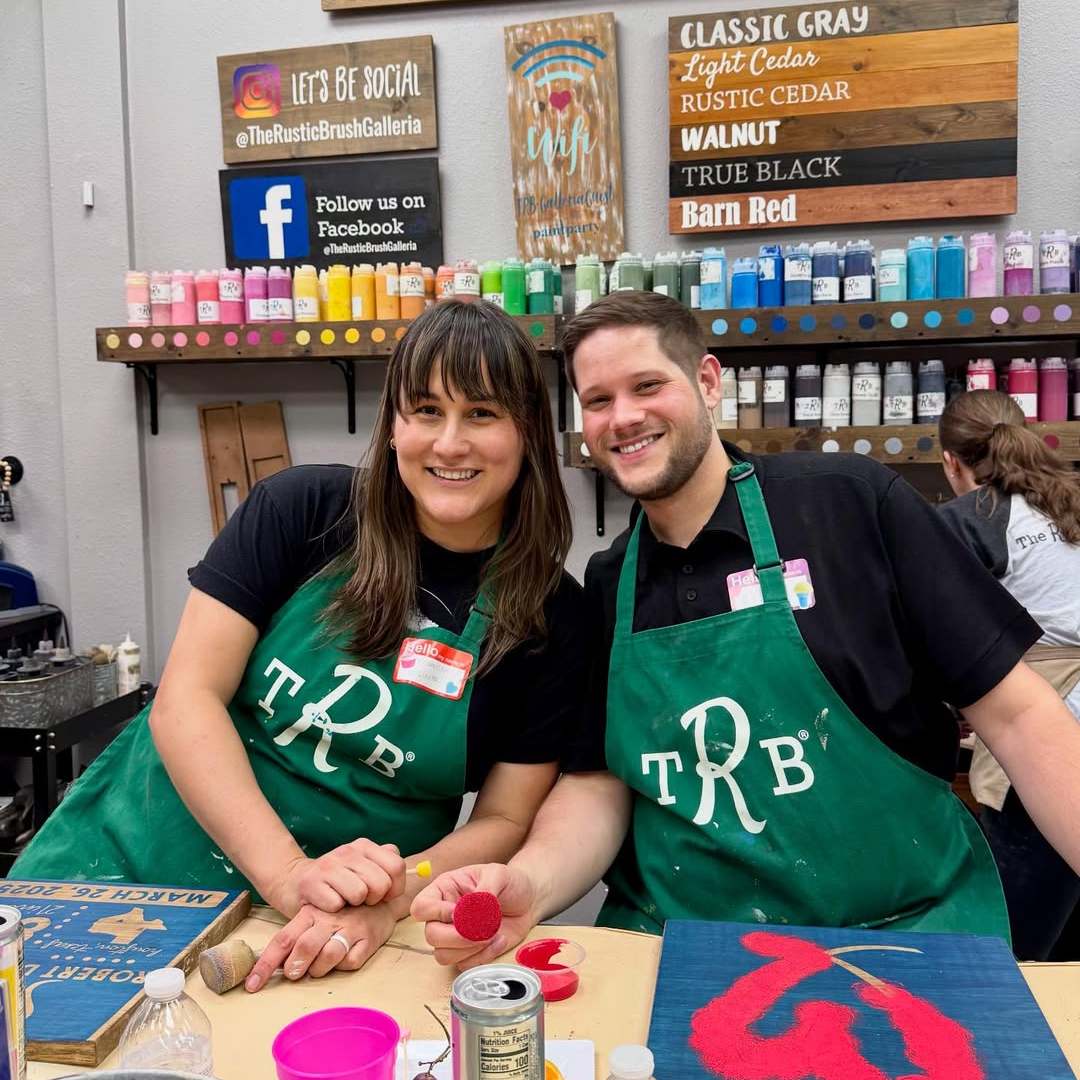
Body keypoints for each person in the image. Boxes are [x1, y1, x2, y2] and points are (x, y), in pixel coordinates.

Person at [411, 292, 1080, 968]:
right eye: (599, 400)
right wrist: (532, 883)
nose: (624, 418)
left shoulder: (849, 504)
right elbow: (598, 785)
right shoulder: (611, 583)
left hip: (900, 939)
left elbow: (1022, 717)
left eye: (647, 386)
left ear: (707, 382)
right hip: (679, 951)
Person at [11, 300, 588, 987]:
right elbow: (186, 699)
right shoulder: (302, 512)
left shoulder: (553, 618)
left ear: (526, 433)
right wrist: (289, 874)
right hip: (127, 864)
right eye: (426, 410)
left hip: (329, 933)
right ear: (394, 423)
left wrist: (395, 895)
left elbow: (502, 818)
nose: (450, 443)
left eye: (483, 415)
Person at [939, 388, 1080, 959]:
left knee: (1014, 947)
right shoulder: (1067, 499)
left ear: (950, 460)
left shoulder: (970, 519)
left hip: (1044, 729)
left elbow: (940, 636)